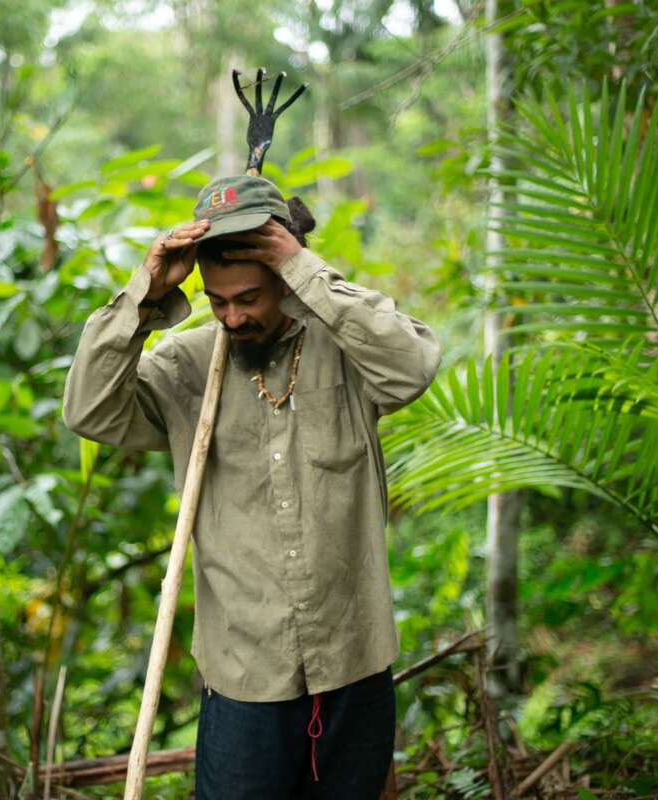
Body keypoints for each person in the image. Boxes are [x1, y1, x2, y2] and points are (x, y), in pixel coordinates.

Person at [62, 175, 440, 799]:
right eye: (218, 300)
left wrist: (304, 267)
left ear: (285, 280)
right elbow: (88, 410)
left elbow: (414, 365)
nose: (234, 315)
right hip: (244, 680)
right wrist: (143, 295)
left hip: (353, 664)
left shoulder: (346, 350)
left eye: (250, 298)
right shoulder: (186, 367)